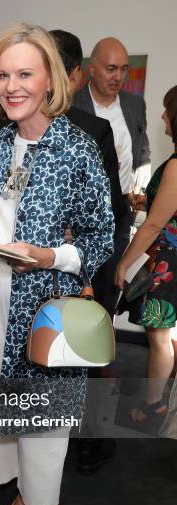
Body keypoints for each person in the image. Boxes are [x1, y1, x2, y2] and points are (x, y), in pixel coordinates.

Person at [0, 23, 113, 505]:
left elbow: (102, 235)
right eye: (4, 74)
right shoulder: (0, 140)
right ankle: (22, 492)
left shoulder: (77, 147)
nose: (12, 85)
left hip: (45, 306)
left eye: (25, 73)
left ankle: (46, 503)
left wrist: (51, 256)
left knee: (47, 418)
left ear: (49, 79)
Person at [51, 29, 124, 472]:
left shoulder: (6, 129)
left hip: (44, 268)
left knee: (48, 352)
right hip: (84, 267)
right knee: (86, 354)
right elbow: (110, 210)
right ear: (79, 74)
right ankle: (88, 444)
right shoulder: (93, 130)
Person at [115, 85, 177, 429]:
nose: (162, 116)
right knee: (163, 336)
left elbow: (154, 225)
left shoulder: (176, 166)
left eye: (168, 110)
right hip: (170, 259)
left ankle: (154, 405)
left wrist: (124, 262)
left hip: (170, 264)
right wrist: (145, 202)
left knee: (159, 335)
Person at [73, 37, 151, 260]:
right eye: (111, 69)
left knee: (114, 278)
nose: (118, 77)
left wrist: (141, 183)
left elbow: (142, 148)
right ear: (92, 69)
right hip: (84, 215)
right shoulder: (72, 105)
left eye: (123, 69)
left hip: (122, 210)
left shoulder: (135, 104)